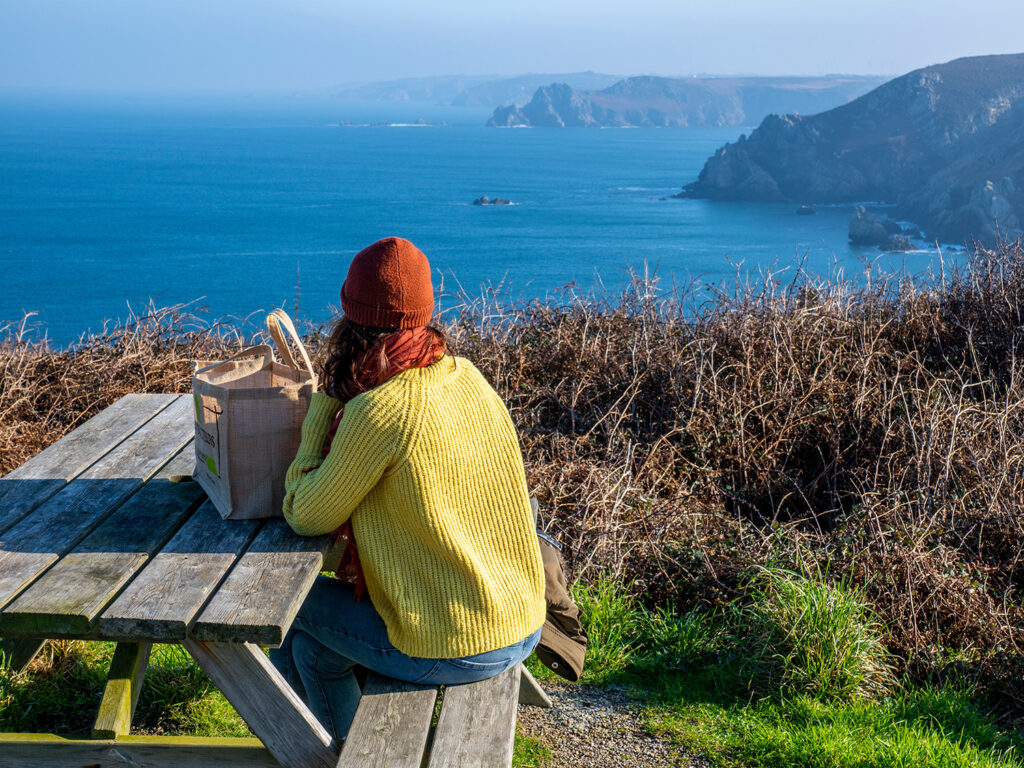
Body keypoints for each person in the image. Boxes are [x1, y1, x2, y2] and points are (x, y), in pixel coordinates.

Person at [271, 236, 546, 744]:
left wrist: (321, 413)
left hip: (457, 641)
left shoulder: (378, 410)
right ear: (426, 312)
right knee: (314, 653)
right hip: (521, 616)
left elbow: (304, 514)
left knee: (280, 604)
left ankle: (307, 750)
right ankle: (339, 751)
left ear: (350, 316)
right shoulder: (465, 375)